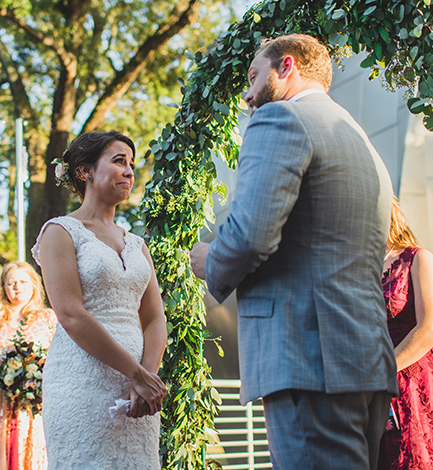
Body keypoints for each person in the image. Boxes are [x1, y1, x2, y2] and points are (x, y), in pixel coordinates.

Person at [189, 33, 398, 470]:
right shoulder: (361, 142)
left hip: (308, 357)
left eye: (253, 76)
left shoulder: (280, 120)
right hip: (364, 357)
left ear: (287, 66)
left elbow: (249, 235)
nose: (247, 95)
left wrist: (211, 262)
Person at [33, 131, 167, 469]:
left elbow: (154, 319)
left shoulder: (137, 244)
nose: (129, 172)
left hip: (138, 387)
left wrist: (145, 378)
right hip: (81, 378)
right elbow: (70, 313)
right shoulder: (60, 232)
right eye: (119, 161)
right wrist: (133, 372)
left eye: (132, 165)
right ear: (85, 171)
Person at [0, 261, 57, 470]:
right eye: (12, 283)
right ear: (4, 288)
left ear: (34, 285)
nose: (18, 287)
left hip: (34, 401)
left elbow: (58, 359)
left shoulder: (48, 317)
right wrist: (0, 364)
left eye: (23, 282)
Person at [377, 197, 433, 469]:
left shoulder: (419, 258)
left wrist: (383, 371)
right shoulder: (357, 270)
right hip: (368, 389)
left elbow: (428, 330)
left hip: (411, 383)